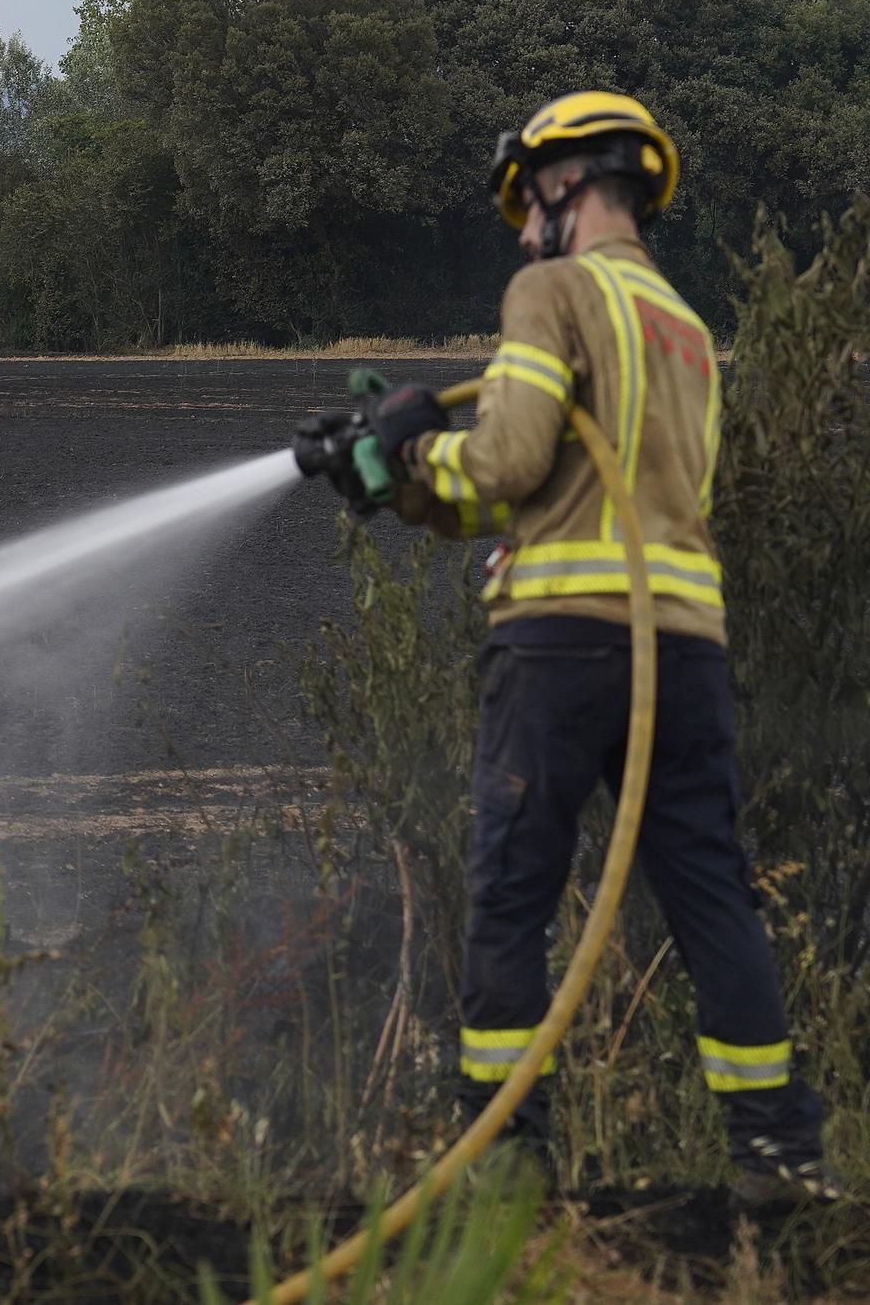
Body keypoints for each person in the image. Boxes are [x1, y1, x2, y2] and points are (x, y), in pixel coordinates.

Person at [351, 91, 836, 1206]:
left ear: (568, 183)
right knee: (711, 894)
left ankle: (503, 1157)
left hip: (561, 645)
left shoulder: (550, 290)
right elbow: (577, 486)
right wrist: (415, 485)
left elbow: (510, 460)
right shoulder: (682, 327)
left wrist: (408, 456)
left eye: (527, 202)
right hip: (683, 651)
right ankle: (776, 1154)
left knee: (511, 894)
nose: (521, 228)